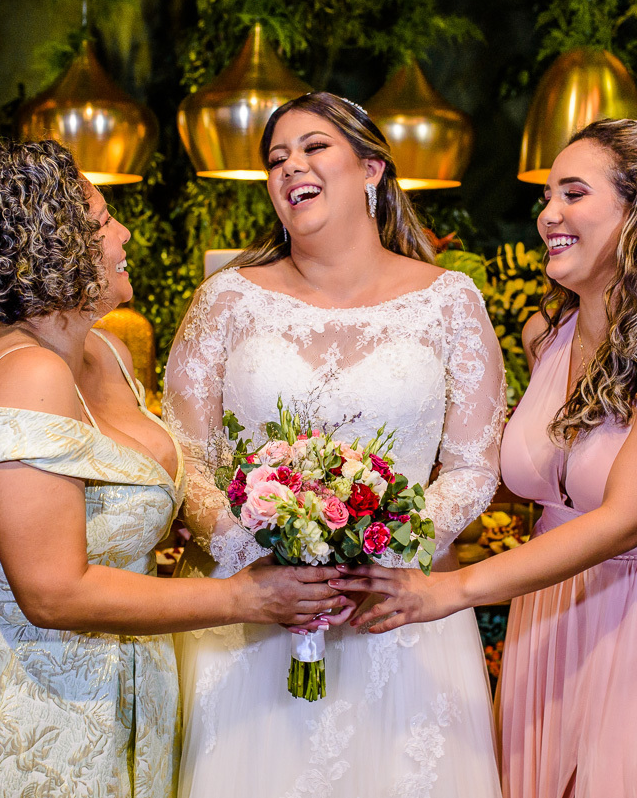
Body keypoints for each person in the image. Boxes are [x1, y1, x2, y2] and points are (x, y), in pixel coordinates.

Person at [0, 140, 348, 798]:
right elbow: (53, 593)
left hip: (132, 697)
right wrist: (245, 597)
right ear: (54, 250)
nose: (124, 235)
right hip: (37, 720)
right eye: (104, 221)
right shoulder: (28, 374)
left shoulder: (106, 352)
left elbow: (118, 497)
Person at [340, 119, 637, 798]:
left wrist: (449, 590)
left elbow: (624, 519)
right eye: (547, 197)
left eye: (574, 193)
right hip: (549, 612)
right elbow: (524, 474)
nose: (548, 215)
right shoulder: (548, 333)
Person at [163, 92, 505, 798]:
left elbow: (474, 466)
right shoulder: (226, 300)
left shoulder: (449, 301)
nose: (292, 166)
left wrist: (388, 552)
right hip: (257, 617)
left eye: (314, 147)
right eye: (276, 158)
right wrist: (256, 555)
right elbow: (184, 455)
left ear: (371, 169)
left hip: (398, 614)